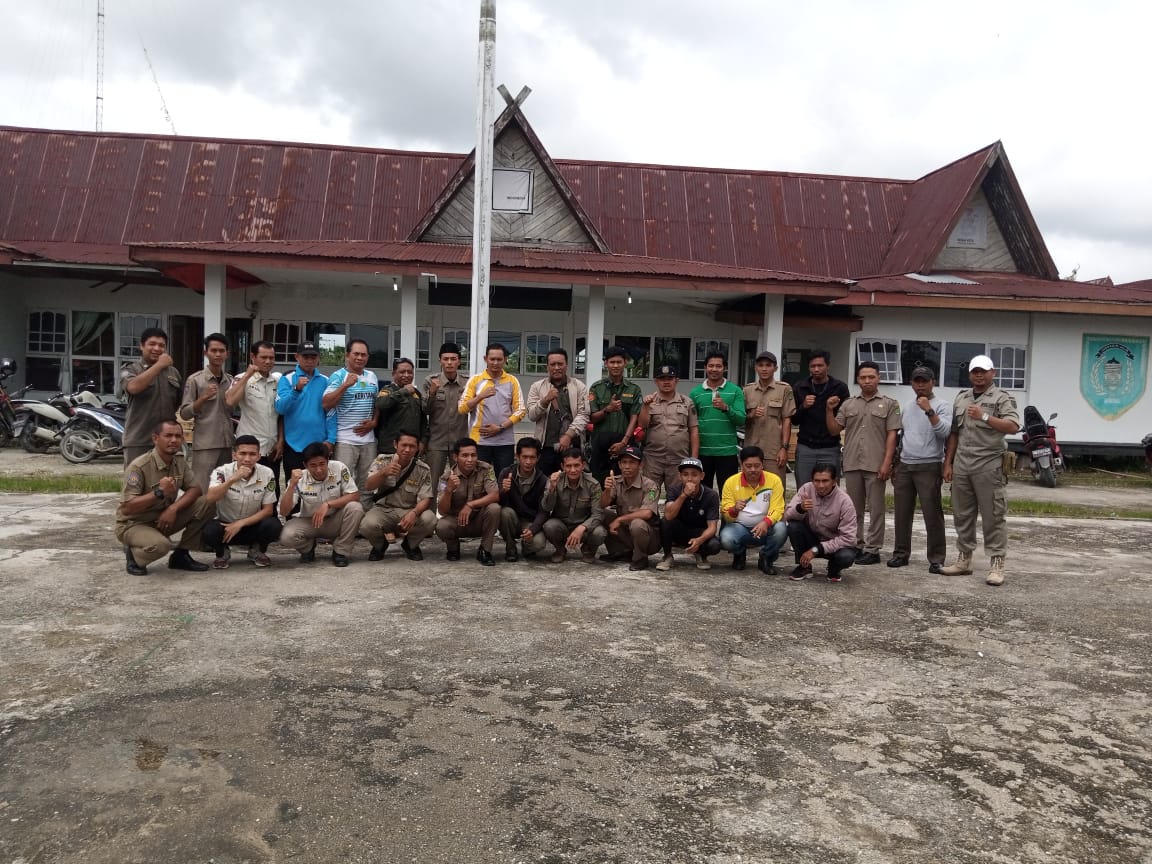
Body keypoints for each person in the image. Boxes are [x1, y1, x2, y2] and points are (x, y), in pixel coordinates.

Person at [942, 355, 1021, 586]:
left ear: (992, 373)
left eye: (983, 371)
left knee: (993, 516)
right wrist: (948, 463)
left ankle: (997, 564)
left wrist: (985, 416)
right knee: (962, 514)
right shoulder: (962, 398)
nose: (978, 375)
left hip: (988, 463)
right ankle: (964, 559)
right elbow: (954, 433)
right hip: (963, 463)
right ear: (969, 374)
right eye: (974, 371)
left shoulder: (1002, 397)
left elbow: (1013, 426)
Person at [825, 361, 901, 565]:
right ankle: (856, 544)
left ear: (879, 378)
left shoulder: (889, 403)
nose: (867, 381)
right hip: (852, 462)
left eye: (871, 377)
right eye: (863, 377)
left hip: (876, 464)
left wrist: (887, 462)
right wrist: (829, 410)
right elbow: (834, 430)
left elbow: (892, 435)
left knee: (876, 508)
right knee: (853, 508)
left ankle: (873, 549)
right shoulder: (849, 404)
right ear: (857, 379)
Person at [116, 419, 214, 575]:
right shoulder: (139, 467)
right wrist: (158, 492)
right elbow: (127, 508)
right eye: (168, 436)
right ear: (155, 438)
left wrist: (173, 508)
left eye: (178, 436)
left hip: (163, 519)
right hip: (135, 523)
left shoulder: (179, 461)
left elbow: (195, 489)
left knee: (207, 502)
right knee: (161, 546)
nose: (174, 440)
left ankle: (181, 555)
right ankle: (134, 555)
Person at [889, 365, 951, 573]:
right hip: (906, 464)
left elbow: (944, 432)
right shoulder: (907, 406)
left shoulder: (942, 405)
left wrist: (929, 410)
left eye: (925, 380)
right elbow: (903, 436)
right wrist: (896, 464)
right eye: (917, 381)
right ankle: (900, 553)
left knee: (932, 513)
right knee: (902, 513)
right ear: (912, 383)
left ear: (933, 381)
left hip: (929, 464)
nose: (921, 385)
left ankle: (936, 557)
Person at [279, 441, 364, 567]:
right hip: (310, 522)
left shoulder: (339, 468)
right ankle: (308, 548)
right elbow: (284, 512)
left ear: (328, 461)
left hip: (335, 519)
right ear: (305, 465)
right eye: (313, 465)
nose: (318, 470)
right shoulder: (300, 479)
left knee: (355, 508)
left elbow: (354, 495)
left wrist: (328, 504)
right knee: (286, 536)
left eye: (322, 464)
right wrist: (291, 485)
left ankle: (341, 551)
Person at [202, 435, 282, 569]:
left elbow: (268, 510)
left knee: (273, 525)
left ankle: (256, 551)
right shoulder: (222, 471)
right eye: (242, 454)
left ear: (258, 456)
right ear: (234, 455)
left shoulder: (267, 473)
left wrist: (240, 523)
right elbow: (210, 498)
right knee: (209, 531)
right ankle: (222, 553)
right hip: (226, 527)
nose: (247, 459)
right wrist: (232, 479)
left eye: (252, 454)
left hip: (251, 526)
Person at [360, 431, 436, 562]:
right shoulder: (382, 460)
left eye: (412, 446)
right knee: (366, 525)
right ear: (395, 444)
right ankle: (380, 546)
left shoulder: (423, 469)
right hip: (383, 510)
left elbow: (426, 498)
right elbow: (368, 486)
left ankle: (410, 545)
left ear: (417, 448)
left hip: (408, 511)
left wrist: (414, 513)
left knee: (430, 519)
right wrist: (383, 473)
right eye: (404, 445)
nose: (407, 450)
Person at [322, 338, 379, 504]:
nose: (360, 358)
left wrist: (374, 421)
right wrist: (345, 385)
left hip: (368, 441)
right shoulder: (338, 376)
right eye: (356, 354)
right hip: (345, 439)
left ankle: (364, 524)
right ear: (347, 355)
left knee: (366, 484)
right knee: (342, 483)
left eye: (363, 355)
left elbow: (377, 403)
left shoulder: (372, 376)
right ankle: (342, 521)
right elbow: (326, 403)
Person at [179, 332, 236, 495]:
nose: (218, 354)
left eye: (221, 351)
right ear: (206, 353)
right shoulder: (196, 380)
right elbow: (184, 413)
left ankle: (217, 520)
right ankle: (199, 520)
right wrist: (202, 398)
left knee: (223, 489)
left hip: (226, 444)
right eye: (213, 350)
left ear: (227, 354)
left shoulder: (231, 381)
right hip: (205, 444)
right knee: (201, 488)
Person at [458, 343, 526, 477]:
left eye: (499, 359)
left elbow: (521, 411)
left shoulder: (512, 381)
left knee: (504, 480)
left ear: (505, 360)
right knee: (478, 480)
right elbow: (462, 408)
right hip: (479, 441)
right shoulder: (475, 380)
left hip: (504, 442)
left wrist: (500, 427)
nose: (495, 363)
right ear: (485, 359)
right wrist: (480, 397)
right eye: (492, 359)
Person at [224, 340, 283, 495]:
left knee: (271, 490)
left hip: (272, 448)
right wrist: (248, 374)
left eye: (271, 357)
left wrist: (280, 441)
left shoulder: (277, 380)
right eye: (263, 357)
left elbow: (281, 414)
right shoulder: (242, 378)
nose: (268, 361)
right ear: (253, 357)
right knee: (247, 489)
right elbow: (230, 401)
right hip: (249, 448)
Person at [784, 463, 858, 583]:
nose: (820, 485)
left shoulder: (845, 501)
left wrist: (816, 550)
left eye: (825, 481)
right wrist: (800, 508)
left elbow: (849, 538)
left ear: (834, 481)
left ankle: (834, 568)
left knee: (847, 556)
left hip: (833, 545)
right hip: (812, 538)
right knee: (793, 526)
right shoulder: (806, 489)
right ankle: (804, 567)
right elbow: (787, 515)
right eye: (816, 481)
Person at [276, 342, 336, 488]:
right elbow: (280, 408)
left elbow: (331, 412)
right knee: (295, 486)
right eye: (305, 356)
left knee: (321, 487)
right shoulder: (288, 379)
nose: (309, 360)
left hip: (319, 445)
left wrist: (331, 439)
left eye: (313, 356)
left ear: (318, 358)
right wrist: (296, 390)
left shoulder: (325, 380)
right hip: (294, 445)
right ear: (297, 357)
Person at [719, 445, 787, 574]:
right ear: (741, 464)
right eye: (748, 466)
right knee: (726, 538)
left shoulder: (774, 481)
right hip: (740, 527)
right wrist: (734, 509)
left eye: (757, 465)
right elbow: (725, 513)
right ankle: (739, 554)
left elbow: (778, 509)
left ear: (763, 464)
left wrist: (766, 522)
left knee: (781, 529)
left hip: (765, 528)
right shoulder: (731, 482)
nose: (753, 470)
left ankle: (766, 557)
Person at [120, 327, 184, 466]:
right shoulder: (130, 369)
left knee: (166, 483)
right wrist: (159, 365)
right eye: (152, 344)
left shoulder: (173, 373)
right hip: (139, 439)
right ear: (142, 346)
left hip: (166, 440)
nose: (157, 348)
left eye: (161, 345)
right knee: (136, 483)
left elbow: (177, 402)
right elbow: (133, 387)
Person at [435, 437, 501, 566]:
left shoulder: (486, 469)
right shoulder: (446, 477)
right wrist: (448, 490)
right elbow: (442, 511)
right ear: (455, 457)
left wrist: (470, 505)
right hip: (458, 521)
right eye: (465, 455)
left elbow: (495, 495)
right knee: (441, 526)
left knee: (495, 508)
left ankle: (485, 550)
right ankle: (453, 548)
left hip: (479, 520)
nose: (470, 460)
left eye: (473, 455)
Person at [525, 348, 589, 477]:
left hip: (572, 446)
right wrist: (545, 400)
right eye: (553, 364)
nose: (556, 367)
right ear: (547, 366)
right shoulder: (537, 387)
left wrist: (568, 435)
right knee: (544, 485)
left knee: (571, 483)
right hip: (545, 446)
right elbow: (531, 415)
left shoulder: (579, 386)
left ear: (566, 365)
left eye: (560, 364)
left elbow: (584, 414)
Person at [637, 364, 698, 497]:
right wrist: (646, 406)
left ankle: (673, 518)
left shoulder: (687, 402)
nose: (666, 382)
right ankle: (650, 518)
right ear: (656, 381)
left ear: (676, 380)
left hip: (678, 459)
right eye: (662, 378)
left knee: (677, 497)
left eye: (670, 378)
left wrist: (694, 459)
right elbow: (642, 425)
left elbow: (693, 431)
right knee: (649, 495)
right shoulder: (649, 401)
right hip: (653, 459)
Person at [792, 351, 851, 488]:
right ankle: (805, 511)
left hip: (830, 447)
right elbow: (794, 420)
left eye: (820, 365)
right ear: (809, 368)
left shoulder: (839, 388)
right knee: (804, 488)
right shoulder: (800, 387)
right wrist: (803, 406)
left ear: (828, 366)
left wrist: (830, 408)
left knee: (831, 489)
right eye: (813, 366)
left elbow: (844, 420)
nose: (816, 369)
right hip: (805, 446)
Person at [598, 445, 661, 571]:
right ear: (620, 464)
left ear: (640, 465)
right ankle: (620, 552)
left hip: (650, 538)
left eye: (632, 462)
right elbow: (603, 504)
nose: (627, 466)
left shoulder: (651, 485)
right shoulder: (616, 481)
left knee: (637, 523)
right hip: (627, 532)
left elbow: (647, 513)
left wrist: (620, 519)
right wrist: (607, 489)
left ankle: (641, 558)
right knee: (603, 513)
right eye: (624, 462)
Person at [689, 351, 746, 488]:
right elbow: (690, 423)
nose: (714, 369)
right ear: (705, 367)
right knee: (702, 492)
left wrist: (726, 408)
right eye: (711, 366)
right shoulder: (695, 393)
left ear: (724, 368)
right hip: (703, 451)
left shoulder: (735, 390)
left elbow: (741, 419)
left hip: (727, 451)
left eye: (718, 366)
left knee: (728, 493)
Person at [539, 448, 607, 564]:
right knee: (549, 526)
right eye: (568, 466)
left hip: (584, 527)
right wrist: (552, 488)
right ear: (562, 466)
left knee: (600, 532)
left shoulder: (593, 484)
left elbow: (598, 514)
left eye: (576, 465)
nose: (573, 470)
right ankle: (560, 550)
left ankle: (588, 550)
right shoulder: (554, 480)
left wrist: (582, 528)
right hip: (562, 525)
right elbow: (547, 508)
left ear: (583, 465)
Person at [586, 346, 642, 483]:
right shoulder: (596, 388)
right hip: (600, 442)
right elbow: (592, 418)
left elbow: (634, 418)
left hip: (624, 441)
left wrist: (624, 442)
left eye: (619, 362)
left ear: (625, 363)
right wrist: (608, 409)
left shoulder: (634, 389)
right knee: (598, 480)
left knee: (624, 481)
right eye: (612, 362)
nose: (615, 365)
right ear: (606, 364)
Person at [655, 457, 722, 572]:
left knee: (715, 545)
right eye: (685, 474)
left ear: (702, 476)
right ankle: (667, 556)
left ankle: (701, 554)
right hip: (678, 530)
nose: (690, 479)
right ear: (680, 476)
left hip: (699, 531)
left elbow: (712, 527)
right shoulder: (674, 490)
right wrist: (684, 495)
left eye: (694, 475)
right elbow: (669, 516)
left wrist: (700, 540)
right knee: (665, 522)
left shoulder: (711, 495)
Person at [423, 342, 470, 500]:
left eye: (453, 359)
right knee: (432, 483)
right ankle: (430, 519)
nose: (449, 362)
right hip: (437, 441)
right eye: (446, 359)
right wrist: (432, 394)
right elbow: (425, 410)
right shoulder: (431, 381)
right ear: (440, 361)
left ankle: (457, 519)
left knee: (462, 482)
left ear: (459, 361)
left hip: (460, 440)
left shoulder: (467, 383)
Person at [742, 351, 795, 488]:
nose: (764, 369)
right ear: (756, 368)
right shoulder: (747, 390)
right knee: (750, 489)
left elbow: (786, 420)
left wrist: (784, 448)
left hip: (774, 451)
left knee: (775, 490)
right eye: (760, 365)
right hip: (751, 449)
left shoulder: (784, 389)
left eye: (768, 365)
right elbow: (741, 419)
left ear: (775, 368)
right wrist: (751, 415)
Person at [497, 436, 550, 561]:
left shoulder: (543, 480)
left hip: (530, 520)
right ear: (517, 456)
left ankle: (527, 548)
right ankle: (510, 547)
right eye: (524, 457)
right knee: (505, 512)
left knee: (538, 544)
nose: (528, 461)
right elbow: (498, 502)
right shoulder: (506, 473)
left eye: (532, 457)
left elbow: (544, 510)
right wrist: (503, 491)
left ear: (538, 458)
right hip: (511, 519)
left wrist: (533, 529)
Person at [376, 356, 427, 456]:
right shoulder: (388, 390)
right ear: (394, 374)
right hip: (390, 449)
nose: (406, 375)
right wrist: (403, 391)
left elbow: (424, 420)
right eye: (402, 372)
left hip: (411, 448)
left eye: (410, 372)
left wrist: (423, 441)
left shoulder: (416, 393)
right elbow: (380, 404)